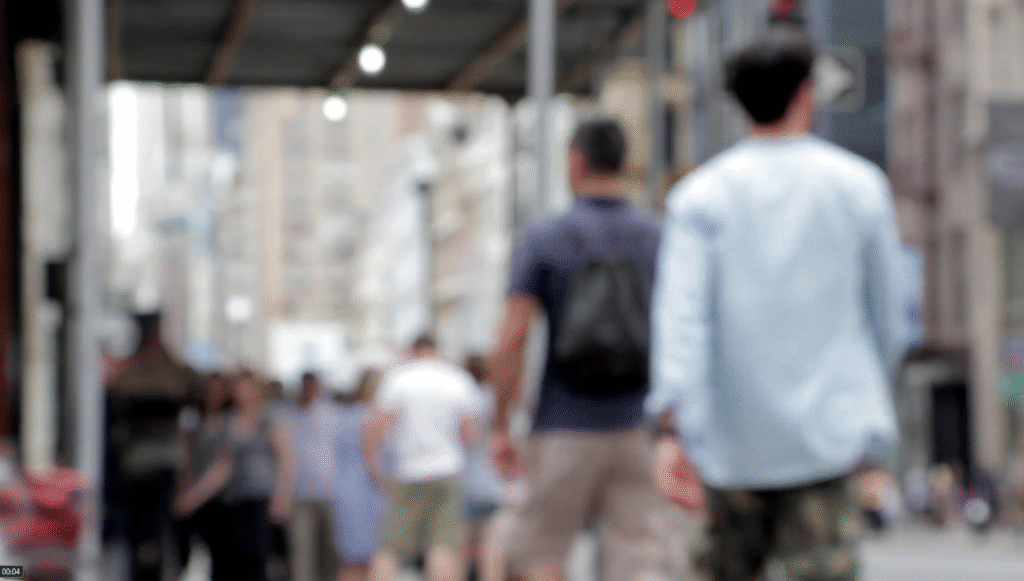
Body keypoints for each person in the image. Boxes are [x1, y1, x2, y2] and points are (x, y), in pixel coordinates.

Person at [645, 28, 902, 581]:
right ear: (807, 93)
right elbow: (887, 317)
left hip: (727, 446)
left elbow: (681, 320)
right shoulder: (860, 187)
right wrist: (871, 418)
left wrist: (672, 430)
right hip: (827, 437)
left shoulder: (699, 198)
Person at [490, 117, 669, 581]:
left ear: (575, 162)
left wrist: (500, 423)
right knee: (637, 558)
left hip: (562, 425)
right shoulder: (656, 236)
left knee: (540, 555)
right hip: (637, 425)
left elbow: (512, 337)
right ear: (624, 163)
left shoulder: (545, 237)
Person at [363, 335, 479, 581]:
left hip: (409, 471)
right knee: (443, 546)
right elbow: (470, 434)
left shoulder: (399, 379)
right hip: (448, 470)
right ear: (436, 349)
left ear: (415, 350)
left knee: (391, 547)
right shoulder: (457, 379)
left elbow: (375, 428)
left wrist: (374, 469)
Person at [106, 312, 206, 581]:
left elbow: (195, 388)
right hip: (137, 463)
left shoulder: (165, 366)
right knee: (141, 534)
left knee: (159, 531)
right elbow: (120, 389)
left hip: (160, 463)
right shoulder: (136, 367)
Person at [175, 370, 295, 581]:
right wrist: (194, 496)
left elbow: (286, 460)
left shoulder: (269, 420)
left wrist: (283, 495)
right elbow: (222, 467)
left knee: (255, 559)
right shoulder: (226, 423)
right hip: (232, 500)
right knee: (228, 561)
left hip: (260, 499)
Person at [175, 372, 232, 579]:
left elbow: (223, 465)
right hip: (194, 496)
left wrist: (194, 496)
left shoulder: (228, 423)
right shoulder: (193, 419)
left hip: (220, 499)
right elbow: (187, 457)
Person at [332, 369, 387, 581]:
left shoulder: (347, 414)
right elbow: (371, 459)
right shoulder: (372, 417)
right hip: (366, 492)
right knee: (369, 560)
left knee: (351, 559)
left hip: (345, 488)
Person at [286, 371, 342, 581]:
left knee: (329, 549)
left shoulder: (332, 414)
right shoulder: (289, 415)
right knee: (301, 550)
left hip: (328, 490)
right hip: (300, 492)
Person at [460, 356, 505, 581]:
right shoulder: (494, 398)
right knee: (491, 544)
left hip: (467, 478)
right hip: (493, 479)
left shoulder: (466, 398)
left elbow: (468, 436)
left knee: (461, 543)